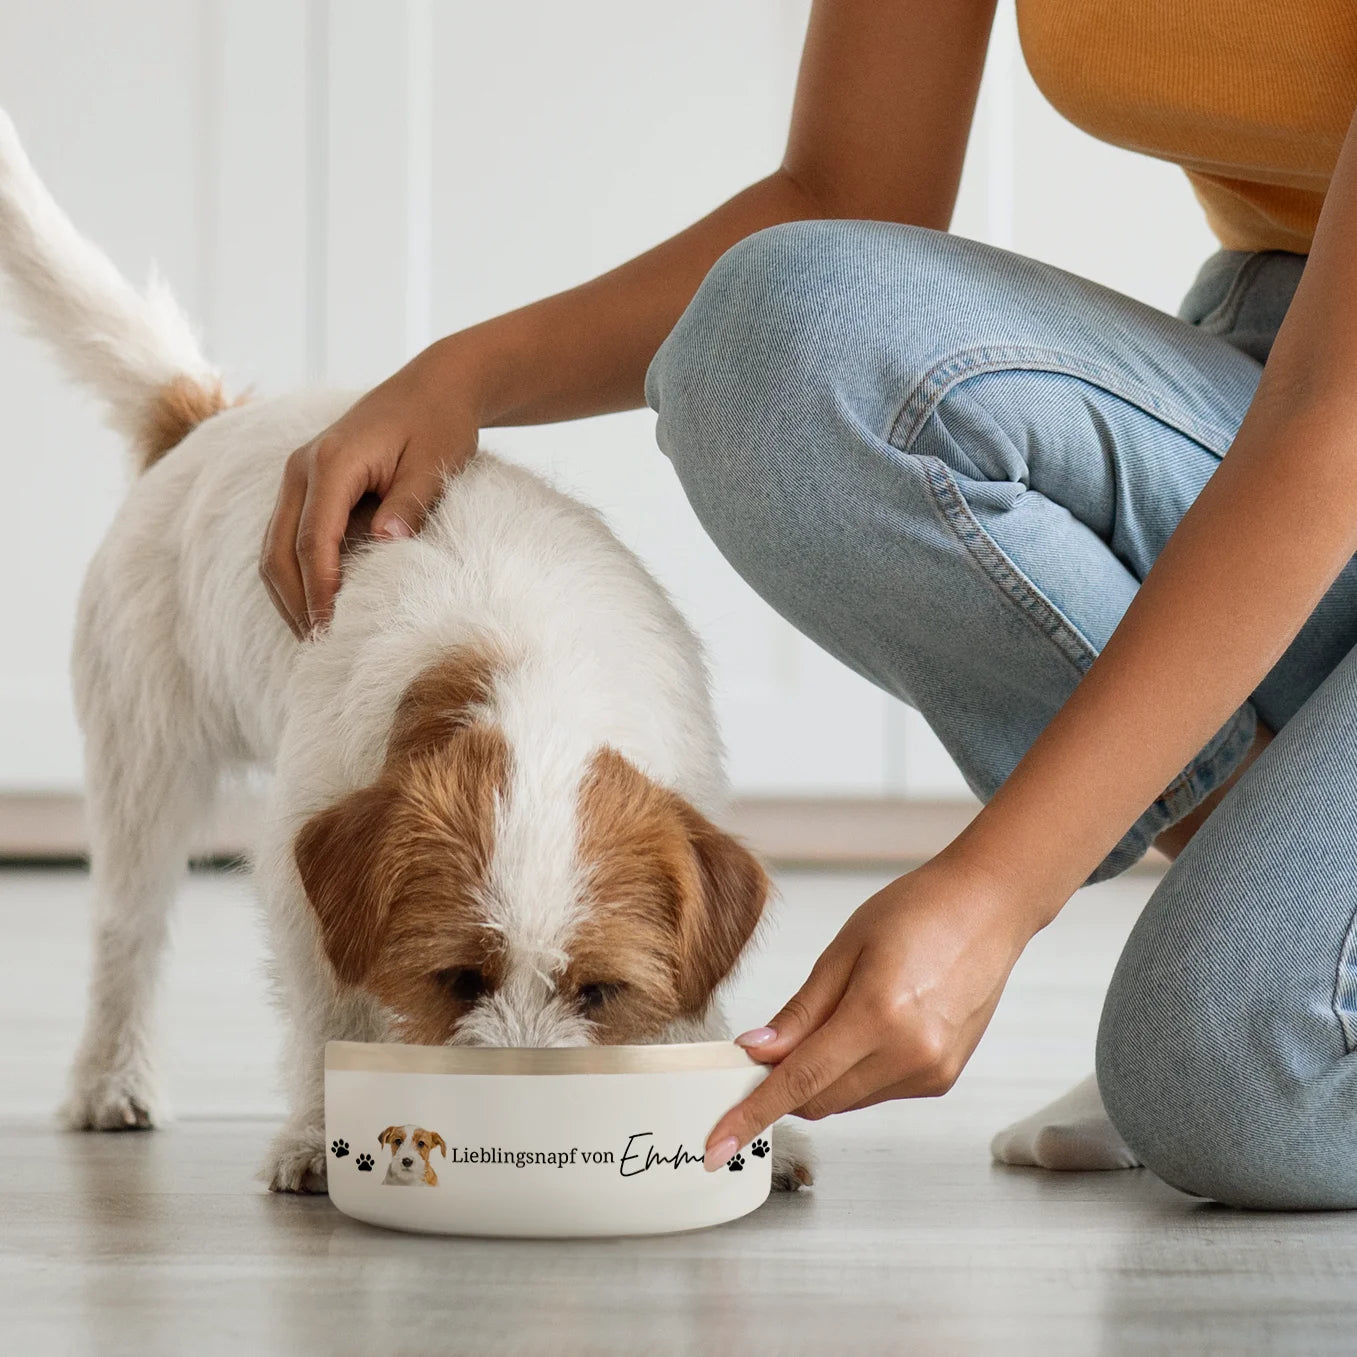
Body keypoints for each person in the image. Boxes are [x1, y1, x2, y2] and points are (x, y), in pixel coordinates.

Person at [259, 0, 1357, 1209]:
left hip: (1327, 412)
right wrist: (456, 378)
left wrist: (993, 894)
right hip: (1246, 361)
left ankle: (1286, 949)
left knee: (1223, 1082)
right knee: (776, 339)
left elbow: (1330, 427)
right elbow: (844, 187)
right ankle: (1286, 912)